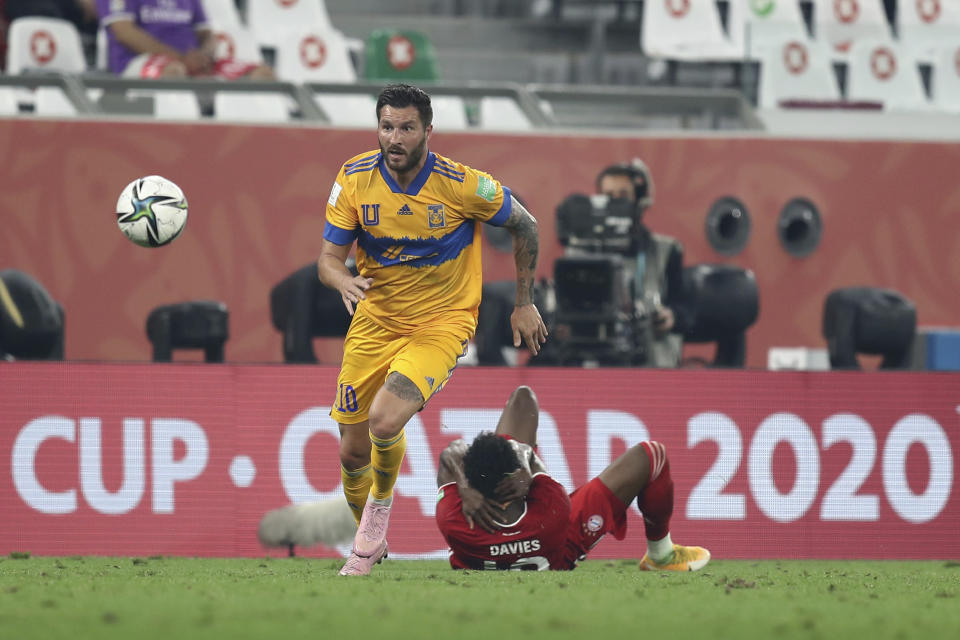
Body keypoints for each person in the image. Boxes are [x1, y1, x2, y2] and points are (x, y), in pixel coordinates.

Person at [317, 83, 548, 576]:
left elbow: (525, 224)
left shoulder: (463, 184)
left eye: (405, 128)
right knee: (352, 450)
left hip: (440, 324)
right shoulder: (354, 178)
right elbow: (327, 260)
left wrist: (524, 302)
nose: (394, 138)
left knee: (384, 421)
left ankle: (376, 518)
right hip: (374, 321)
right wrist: (343, 280)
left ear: (427, 131)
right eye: (386, 127)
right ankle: (372, 540)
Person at [435, 386, 710, 571]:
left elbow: (452, 452)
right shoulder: (553, 507)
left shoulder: (453, 519)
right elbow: (526, 447)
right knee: (653, 455)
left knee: (520, 401)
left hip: (494, 547)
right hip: (556, 543)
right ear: (515, 477)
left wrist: (465, 485)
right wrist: (526, 467)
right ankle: (661, 555)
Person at [595, 159, 689, 368]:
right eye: (609, 196)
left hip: (651, 361)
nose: (617, 203)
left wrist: (671, 317)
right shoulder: (583, 250)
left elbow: (685, 309)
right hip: (597, 360)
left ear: (640, 200)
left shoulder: (667, 250)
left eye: (624, 195)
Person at [95, 0, 273, 80]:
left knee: (262, 75)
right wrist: (181, 59)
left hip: (192, 63)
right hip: (137, 62)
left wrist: (205, 56)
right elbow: (124, 33)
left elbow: (207, 35)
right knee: (174, 72)